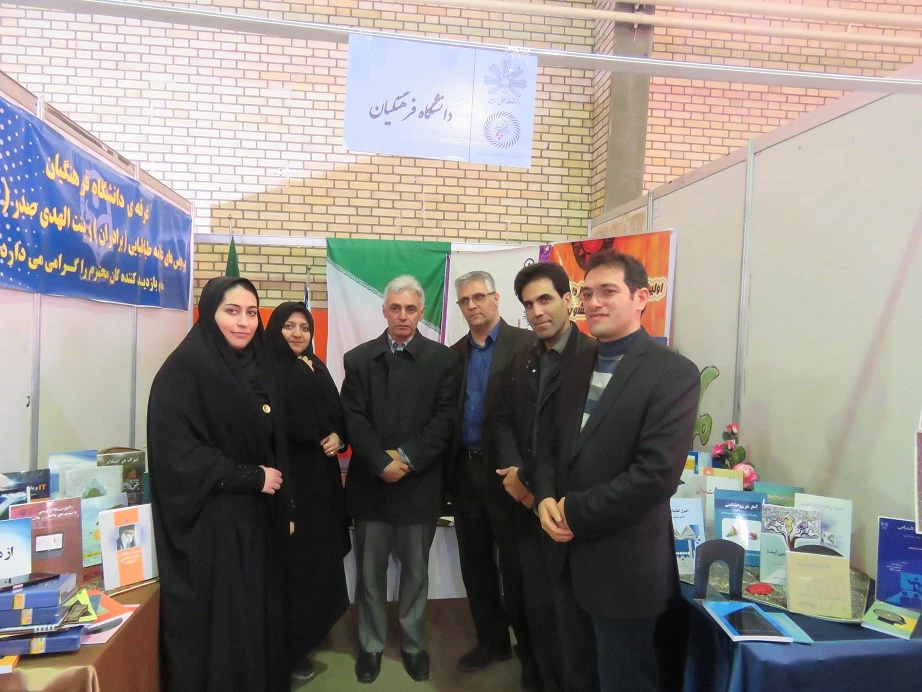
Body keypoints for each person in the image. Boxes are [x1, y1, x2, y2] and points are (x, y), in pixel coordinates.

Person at [534, 251, 700, 692]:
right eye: (587, 293)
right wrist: (544, 498)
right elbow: (551, 445)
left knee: (623, 681)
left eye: (608, 291)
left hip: (624, 566)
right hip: (566, 560)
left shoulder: (673, 373)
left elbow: (656, 475)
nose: (593, 302)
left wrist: (573, 511)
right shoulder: (576, 363)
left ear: (641, 297)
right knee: (578, 676)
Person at [148, 276, 291, 692]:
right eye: (232, 311)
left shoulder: (259, 365)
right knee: (225, 621)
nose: (244, 322)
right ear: (209, 313)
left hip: (257, 520)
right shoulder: (184, 371)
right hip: (212, 525)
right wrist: (250, 476)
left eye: (251, 312)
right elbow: (178, 454)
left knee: (254, 614)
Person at [341, 275, 461, 684]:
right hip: (371, 484)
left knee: (415, 574)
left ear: (421, 312)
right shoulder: (358, 359)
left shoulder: (443, 360)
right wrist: (381, 462)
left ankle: (412, 644)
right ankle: (371, 645)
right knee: (370, 575)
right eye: (396, 308)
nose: (403, 316)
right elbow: (353, 417)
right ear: (384, 311)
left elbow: (445, 419)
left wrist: (406, 458)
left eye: (411, 309)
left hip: (419, 484)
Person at [493, 261, 594, 692]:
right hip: (522, 502)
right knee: (527, 602)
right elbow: (502, 421)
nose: (537, 311)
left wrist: (531, 483)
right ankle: (535, 675)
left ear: (568, 300)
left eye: (545, 299)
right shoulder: (522, 359)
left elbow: (566, 438)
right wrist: (515, 476)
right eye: (529, 304)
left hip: (565, 505)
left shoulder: (591, 358)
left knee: (564, 614)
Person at [447, 271, 537, 687]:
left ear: (496, 299)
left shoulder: (527, 345)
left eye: (479, 297)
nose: (472, 306)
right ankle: (492, 641)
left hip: (510, 474)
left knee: (517, 567)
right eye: (465, 300)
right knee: (476, 562)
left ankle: (531, 651)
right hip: (466, 472)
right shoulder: (454, 355)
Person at [266, 302, 350, 684]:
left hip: (322, 480)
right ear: (275, 330)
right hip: (289, 480)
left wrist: (338, 436)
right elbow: (279, 427)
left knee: (320, 556)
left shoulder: (317, 365)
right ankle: (292, 648)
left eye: (304, 327)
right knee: (295, 565)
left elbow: (337, 414)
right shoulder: (266, 371)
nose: (298, 333)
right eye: (289, 326)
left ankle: (314, 629)